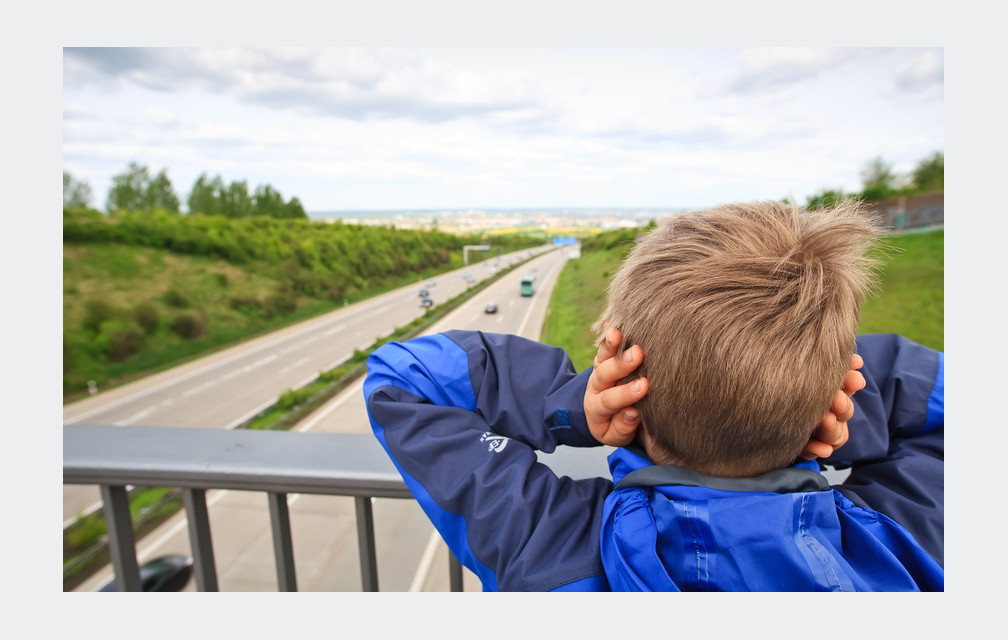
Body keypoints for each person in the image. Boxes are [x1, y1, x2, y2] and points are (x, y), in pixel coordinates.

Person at [363, 200, 944, 591]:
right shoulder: (902, 553)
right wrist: (806, 401)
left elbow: (403, 377)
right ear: (836, 391)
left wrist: (575, 411)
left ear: (627, 393)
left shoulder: (549, 547)